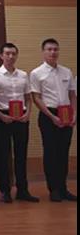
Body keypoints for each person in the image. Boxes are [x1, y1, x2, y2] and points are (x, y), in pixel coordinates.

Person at [30, 38, 77, 202]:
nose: (53, 52)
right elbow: (36, 98)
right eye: (49, 49)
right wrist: (52, 117)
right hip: (48, 115)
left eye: (55, 49)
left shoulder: (66, 72)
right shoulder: (36, 73)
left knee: (63, 152)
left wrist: (74, 114)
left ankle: (63, 188)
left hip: (66, 114)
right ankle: (54, 189)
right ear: (43, 52)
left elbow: (72, 95)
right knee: (51, 153)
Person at [0, 43, 39, 203]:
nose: (10, 56)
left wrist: (27, 114)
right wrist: (0, 115)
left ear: (17, 55)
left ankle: (22, 190)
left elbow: (28, 98)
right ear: (1, 56)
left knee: (21, 154)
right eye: (7, 53)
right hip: (2, 116)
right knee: (3, 155)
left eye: (13, 54)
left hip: (21, 117)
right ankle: (5, 190)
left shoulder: (23, 75)